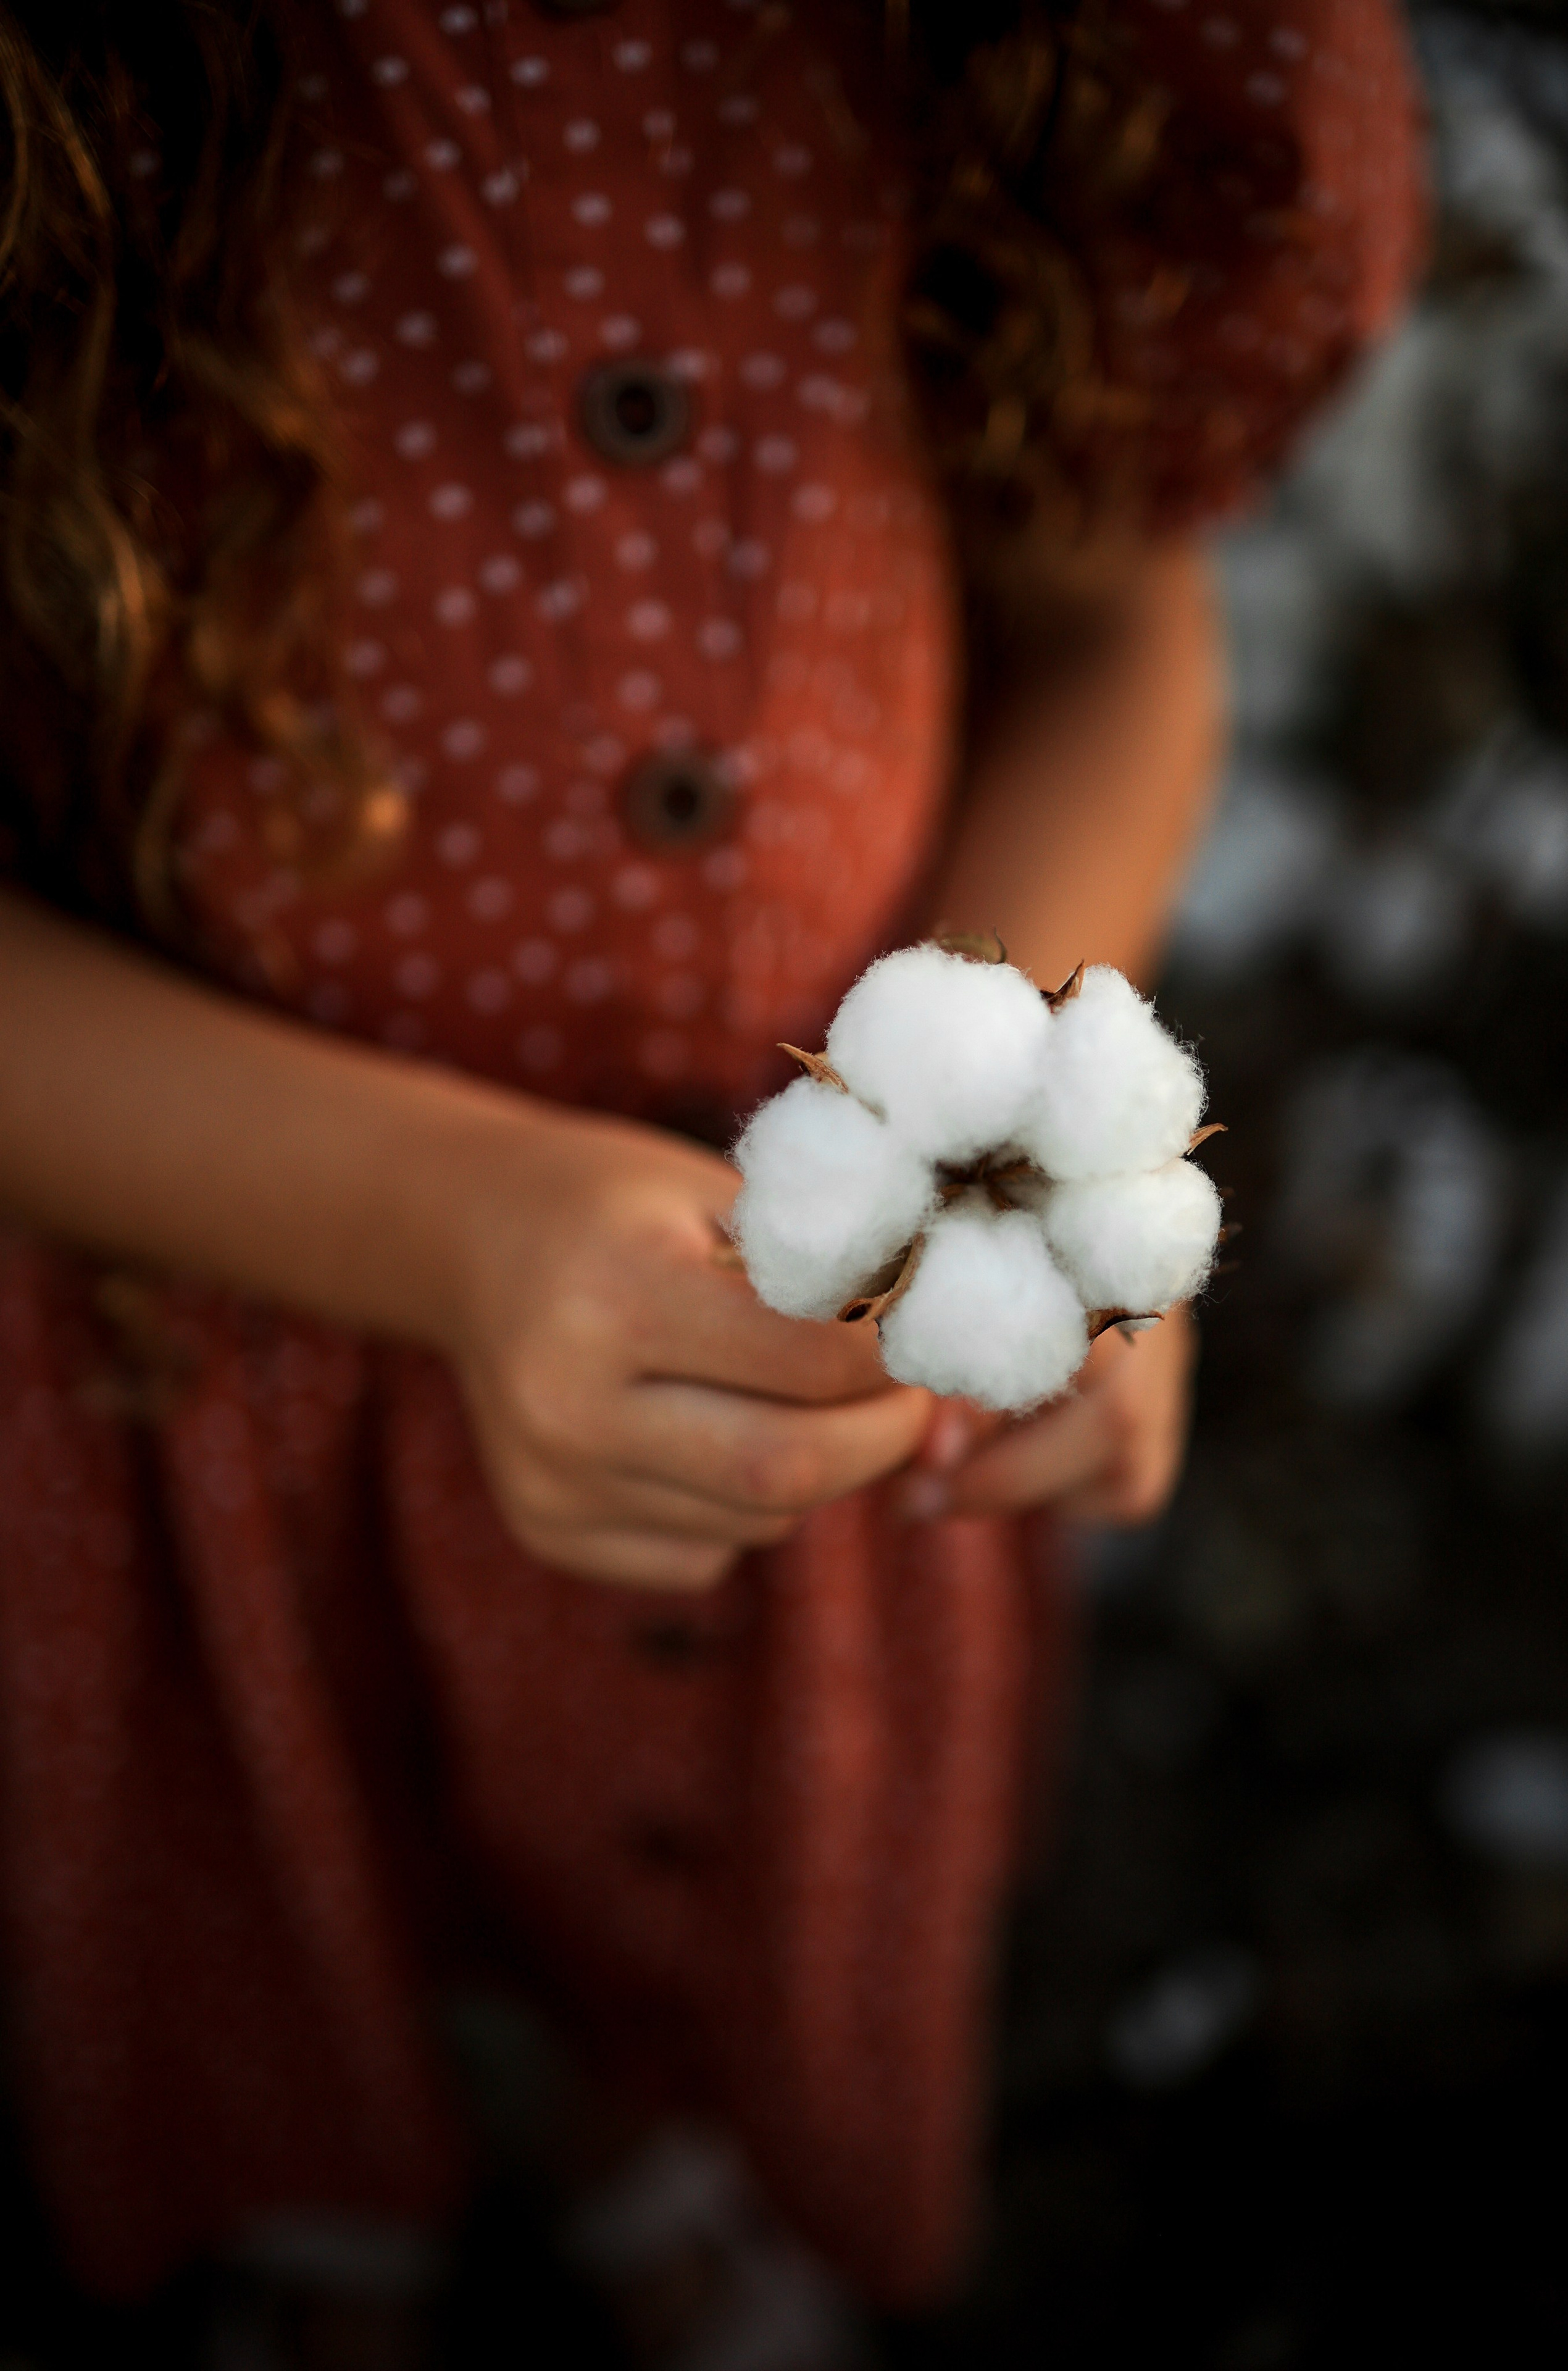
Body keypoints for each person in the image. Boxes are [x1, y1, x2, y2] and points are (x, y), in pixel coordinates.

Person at [0, 0, 1420, 2357]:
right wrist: (447, 1230)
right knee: (271, 1922)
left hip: (826, 1459)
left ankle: (687, 2144)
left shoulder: (993, 50)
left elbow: (1111, 616)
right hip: (187, 1371)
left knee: (735, 1917)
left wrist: (1043, 1148)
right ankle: (320, 2216)